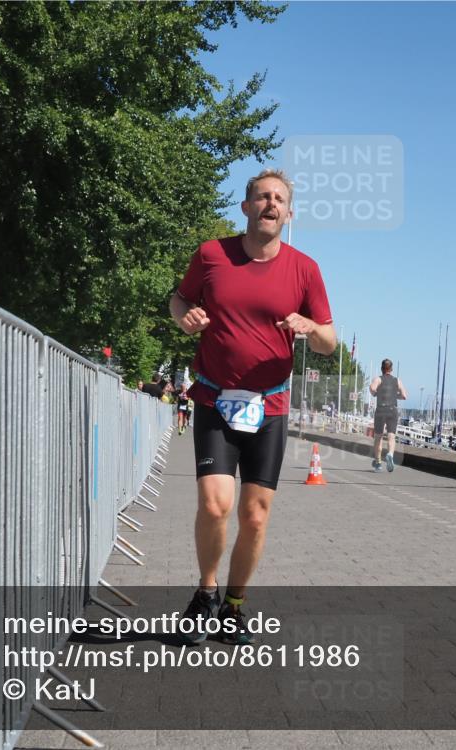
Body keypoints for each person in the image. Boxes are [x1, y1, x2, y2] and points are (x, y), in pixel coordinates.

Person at [170, 168, 335, 645]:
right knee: (214, 504)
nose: (270, 204)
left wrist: (309, 326)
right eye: (262, 197)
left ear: (289, 212)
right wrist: (187, 318)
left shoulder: (305, 269)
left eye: (279, 199)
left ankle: (234, 606)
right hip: (214, 398)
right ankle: (205, 593)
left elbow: (328, 341)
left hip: (271, 407)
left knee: (256, 515)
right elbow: (178, 300)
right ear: (245, 207)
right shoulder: (211, 254)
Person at [369, 359, 407, 472]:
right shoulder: (397, 380)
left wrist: (376, 393)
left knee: (378, 437)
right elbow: (404, 396)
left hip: (381, 410)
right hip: (392, 410)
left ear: (382, 368)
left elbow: (372, 388)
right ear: (391, 369)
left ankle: (378, 463)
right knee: (391, 436)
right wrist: (395, 396)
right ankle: (390, 454)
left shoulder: (378, 379)